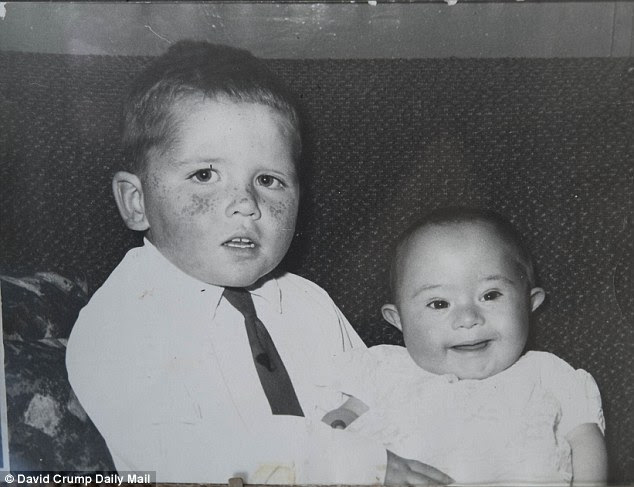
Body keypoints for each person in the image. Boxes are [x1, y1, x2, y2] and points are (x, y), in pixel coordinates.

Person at [65, 40, 451, 485]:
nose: (246, 203)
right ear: (137, 202)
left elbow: (375, 396)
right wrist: (351, 460)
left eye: (268, 180)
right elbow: (184, 454)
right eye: (205, 175)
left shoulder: (309, 303)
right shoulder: (121, 322)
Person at [322, 207, 607, 485]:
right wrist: (338, 425)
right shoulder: (387, 370)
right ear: (398, 320)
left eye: (490, 295)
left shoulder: (548, 373)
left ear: (529, 303)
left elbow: (585, 441)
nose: (468, 318)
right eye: (439, 304)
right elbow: (342, 421)